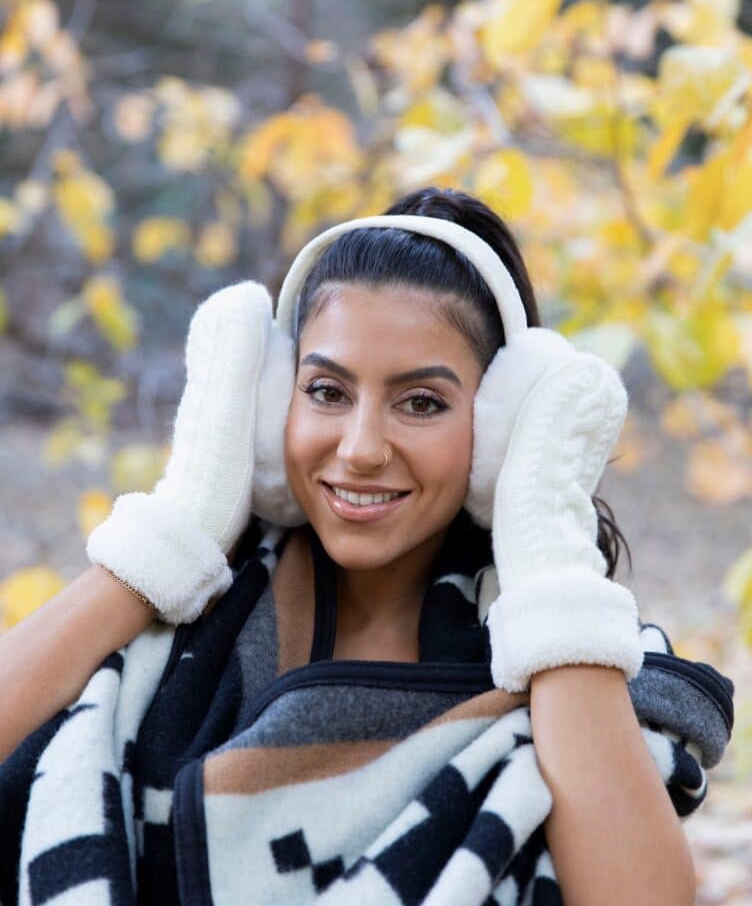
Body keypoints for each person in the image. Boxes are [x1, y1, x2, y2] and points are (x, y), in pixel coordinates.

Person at [0, 188, 733, 906]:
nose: (360, 449)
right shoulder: (185, 623)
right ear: (271, 404)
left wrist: (547, 561)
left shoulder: (577, 666)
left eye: (421, 403)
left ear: (502, 428)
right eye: (327, 391)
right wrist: (175, 530)